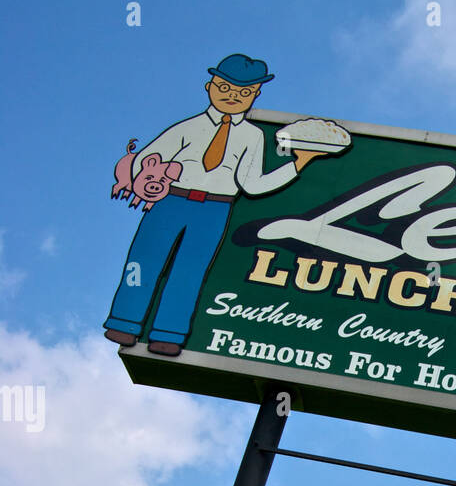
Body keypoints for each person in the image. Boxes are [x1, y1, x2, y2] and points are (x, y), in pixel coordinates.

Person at [104, 53, 322, 356]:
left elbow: (253, 183)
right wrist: (151, 180)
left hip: (215, 208)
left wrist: (298, 164)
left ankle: (168, 333)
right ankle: (124, 322)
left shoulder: (252, 136)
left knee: (191, 271)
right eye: (226, 88)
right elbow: (147, 159)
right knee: (145, 260)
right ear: (210, 86)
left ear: (255, 94)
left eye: (244, 92)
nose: (233, 97)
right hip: (172, 199)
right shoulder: (188, 127)